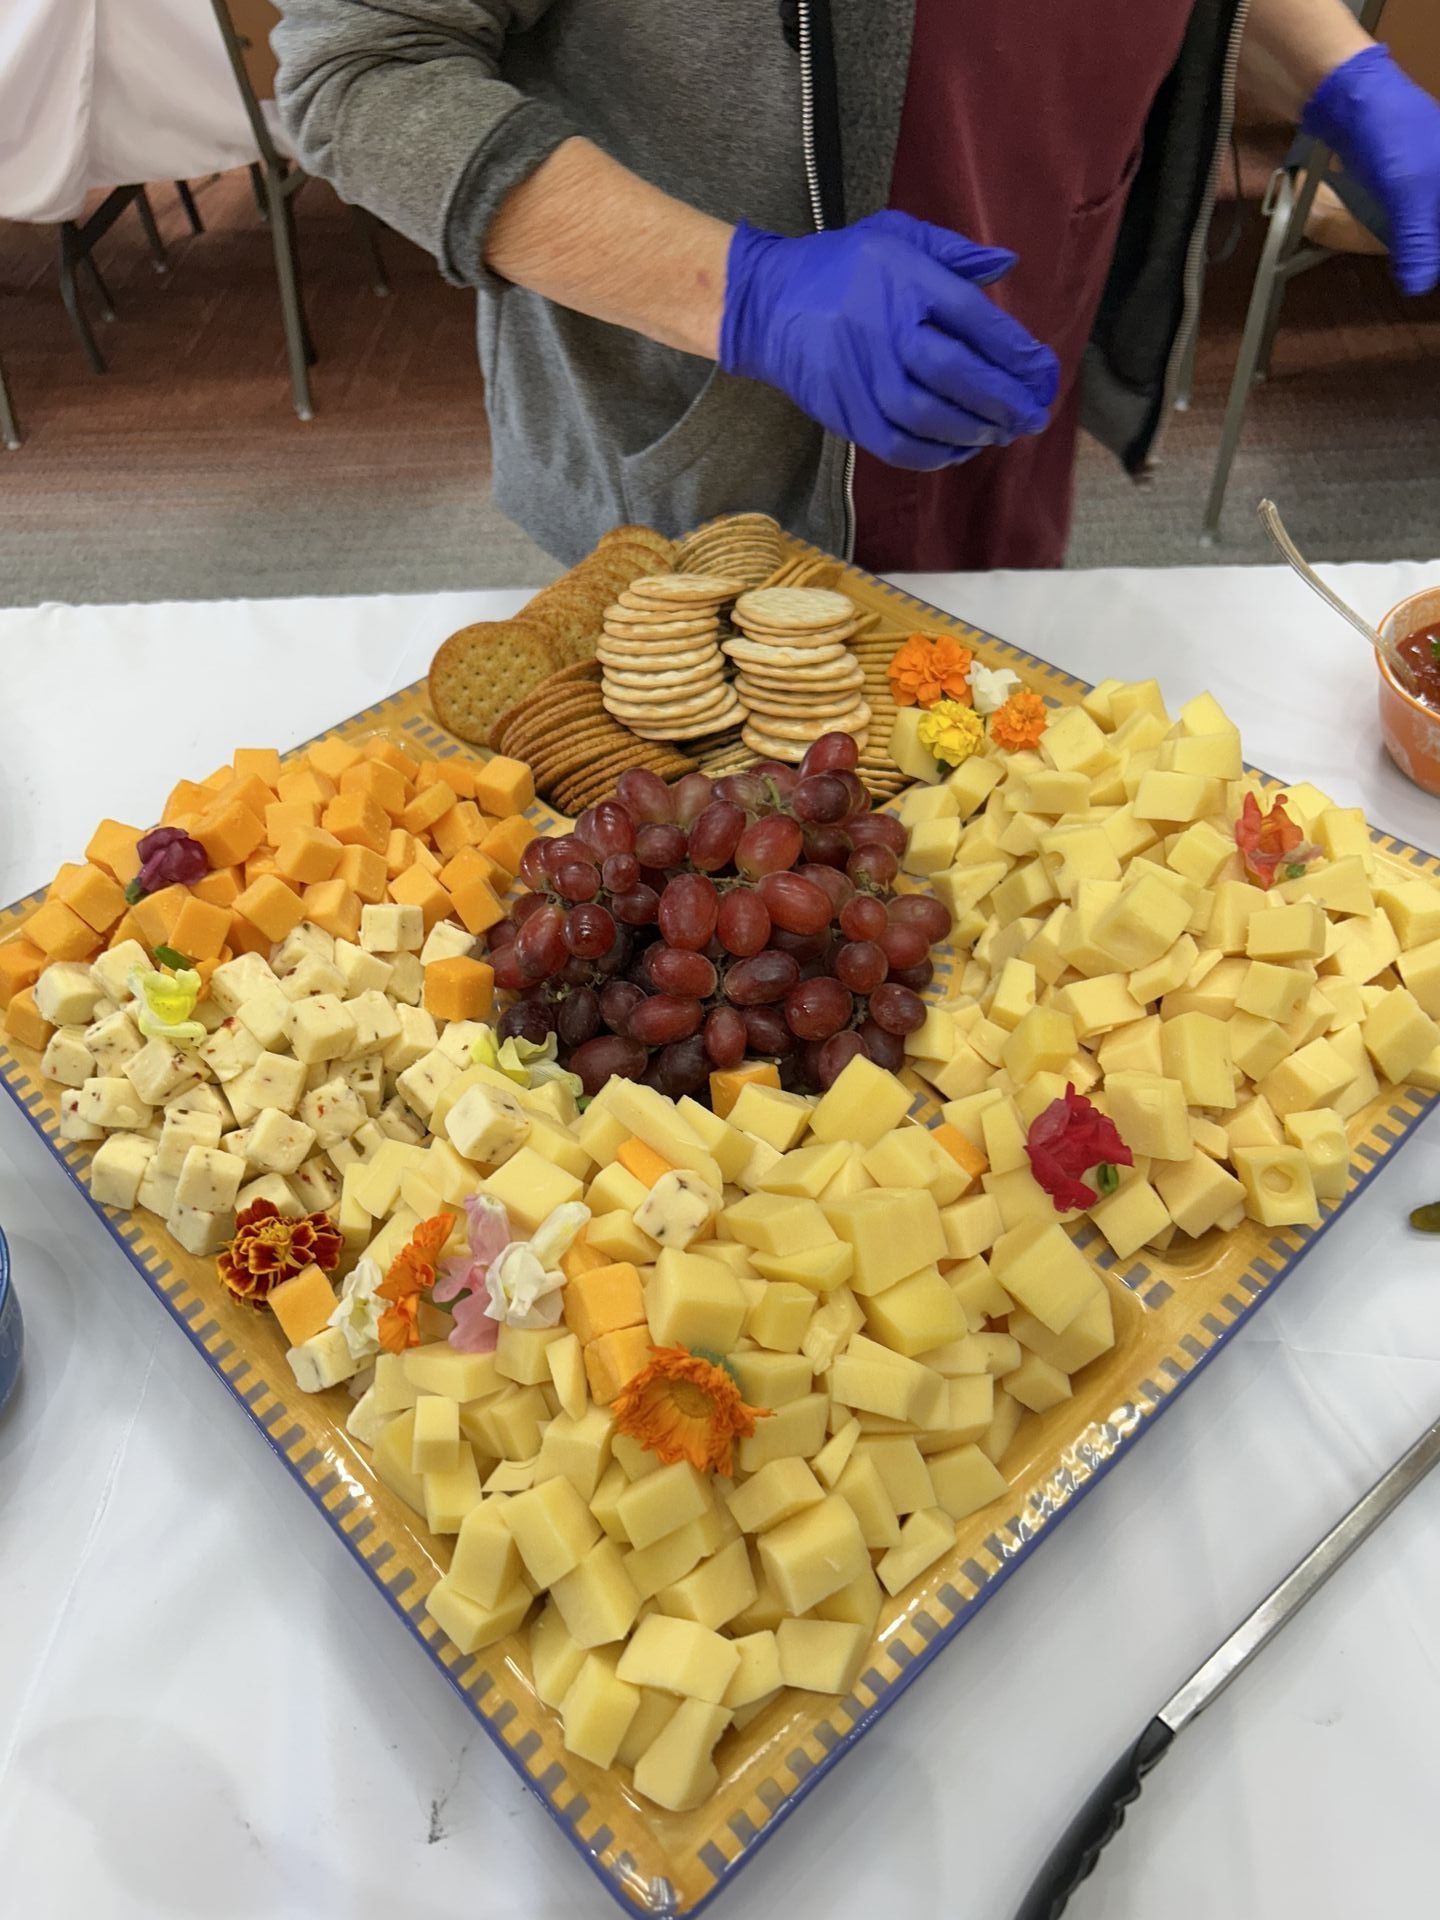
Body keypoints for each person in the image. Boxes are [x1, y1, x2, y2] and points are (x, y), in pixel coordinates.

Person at [273, 0, 1440, 571]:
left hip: (1018, 338)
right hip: (719, 441)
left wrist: (1345, 72)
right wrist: (746, 293)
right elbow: (359, 74)